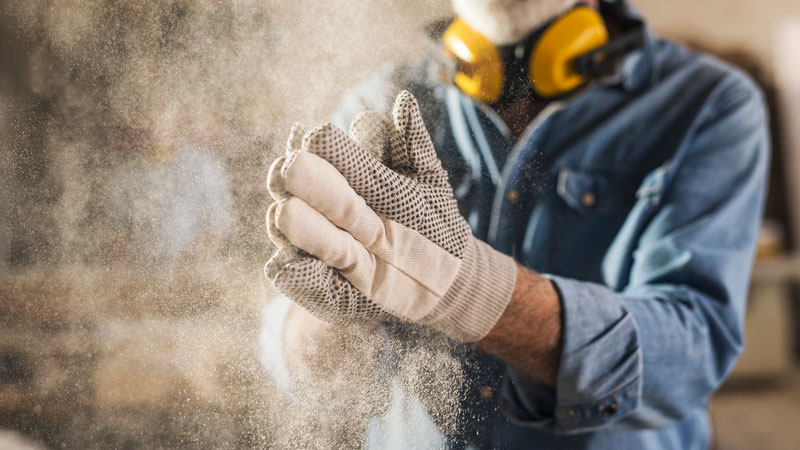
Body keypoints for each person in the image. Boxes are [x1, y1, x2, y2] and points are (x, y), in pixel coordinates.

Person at [260, 0, 770, 448]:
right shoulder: (384, 102)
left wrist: (467, 290)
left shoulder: (707, 104)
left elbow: (691, 359)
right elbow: (292, 357)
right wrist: (334, 319)